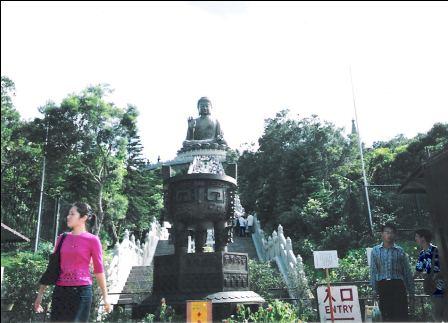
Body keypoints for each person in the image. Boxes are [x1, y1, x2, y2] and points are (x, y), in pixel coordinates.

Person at [34, 202, 111, 322]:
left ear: (83, 218)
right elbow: (52, 267)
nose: (68, 217)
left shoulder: (93, 240)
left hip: (82, 293)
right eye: (68, 214)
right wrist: (40, 294)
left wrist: (105, 297)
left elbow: (99, 270)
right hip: (60, 291)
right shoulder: (62, 238)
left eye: (72, 214)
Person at [369, 222, 415, 322]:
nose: (389, 235)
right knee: (386, 314)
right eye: (387, 232)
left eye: (391, 233)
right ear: (382, 234)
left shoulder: (400, 251)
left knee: (401, 314)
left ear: (395, 234)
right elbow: (373, 271)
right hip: (383, 285)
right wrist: (374, 289)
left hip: (398, 285)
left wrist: (411, 292)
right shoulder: (375, 251)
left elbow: (407, 272)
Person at [414, 229, 447, 321]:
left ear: (423, 238)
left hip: (440, 285)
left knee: (438, 311)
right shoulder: (422, 253)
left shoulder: (437, 251)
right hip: (432, 286)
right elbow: (418, 270)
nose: (415, 239)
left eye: (417, 236)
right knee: (438, 311)